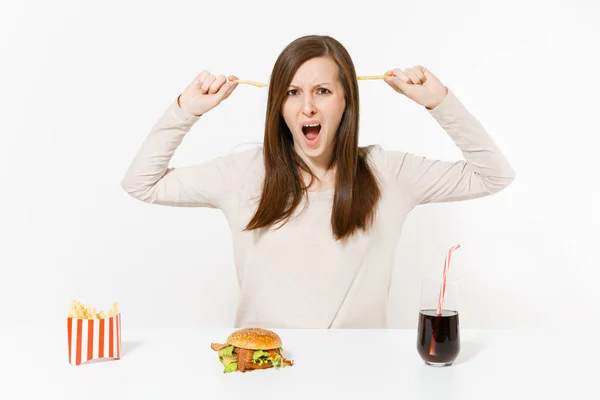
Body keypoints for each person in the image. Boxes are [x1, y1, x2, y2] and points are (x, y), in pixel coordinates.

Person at [121, 35, 515, 329]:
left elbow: (493, 175)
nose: (307, 106)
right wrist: (184, 111)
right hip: (263, 377)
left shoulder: (388, 173)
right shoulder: (243, 174)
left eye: (322, 91)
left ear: (347, 102)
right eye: (292, 93)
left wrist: (440, 102)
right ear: (279, 106)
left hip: (358, 379)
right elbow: (142, 183)